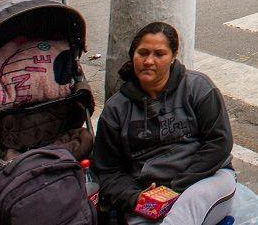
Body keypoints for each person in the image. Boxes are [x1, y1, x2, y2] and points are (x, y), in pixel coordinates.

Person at [93, 22, 234, 225]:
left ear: (173, 56)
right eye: (143, 53)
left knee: (190, 205)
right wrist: (134, 197)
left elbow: (219, 143)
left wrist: (176, 187)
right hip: (148, 195)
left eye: (159, 54)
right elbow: (108, 170)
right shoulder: (116, 109)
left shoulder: (198, 88)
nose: (149, 61)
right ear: (133, 55)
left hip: (207, 180)